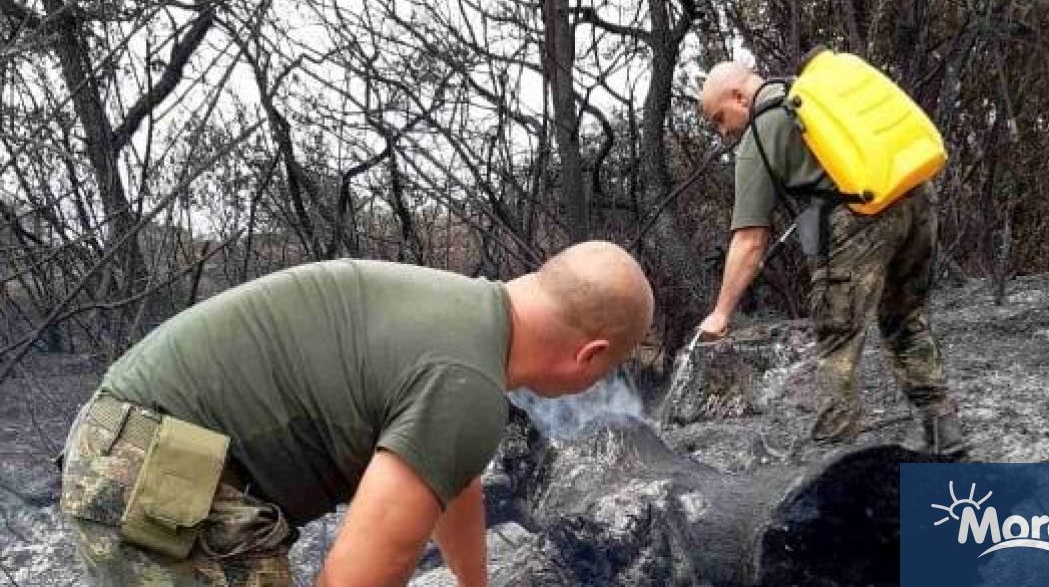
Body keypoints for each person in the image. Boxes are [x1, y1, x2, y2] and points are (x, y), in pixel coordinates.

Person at [59, 241, 654, 586]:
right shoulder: (465, 382)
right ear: (590, 354)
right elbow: (361, 572)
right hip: (155, 475)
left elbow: (456, 484)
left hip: (127, 445)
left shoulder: (463, 317)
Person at [696, 60, 966, 457]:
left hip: (858, 218)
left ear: (739, 97)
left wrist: (720, 313)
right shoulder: (817, 95)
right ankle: (945, 432)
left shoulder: (763, 130)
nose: (723, 131)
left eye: (720, 118)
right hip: (917, 196)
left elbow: (750, 240)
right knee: (905, 320)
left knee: (836, 337)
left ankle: (833, 453)